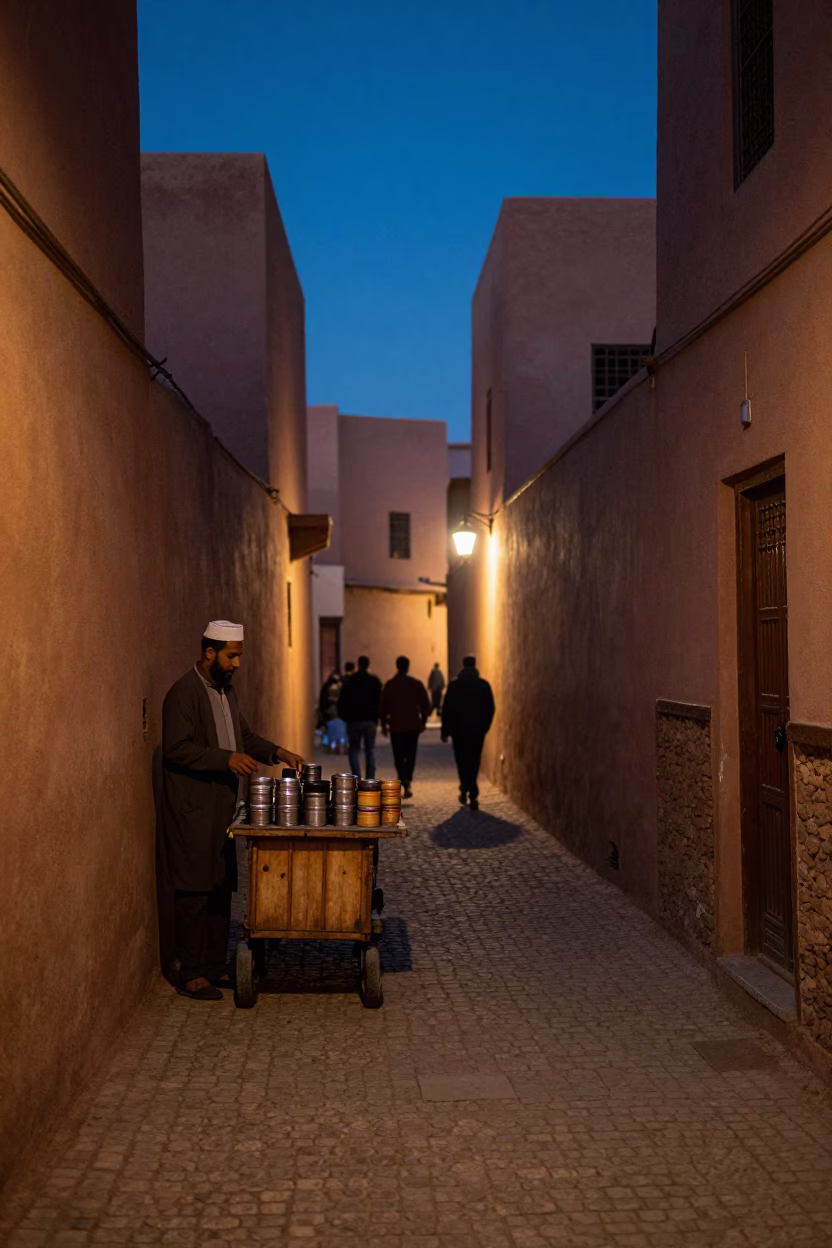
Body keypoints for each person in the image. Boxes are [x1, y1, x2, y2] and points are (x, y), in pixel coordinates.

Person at [161, 620, 304, 1000]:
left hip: (224, 809)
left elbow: (246, 739)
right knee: (194, 889)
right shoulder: (183, 693)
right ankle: (190, 973)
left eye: (239, 655)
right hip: (193, 810)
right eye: (232, 655)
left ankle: (212, 965)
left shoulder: (227, 692)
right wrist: (226, 760)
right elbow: (177, 748)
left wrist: (277, 753)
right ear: (209, 653)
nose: (237, 662)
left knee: (221, 887)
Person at [441, 655, 495, 811]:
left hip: (459, 731)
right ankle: (471, 791)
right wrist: (485, 726)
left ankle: (467, 788)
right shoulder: (483, 686)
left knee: (462, 760)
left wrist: (445, 730)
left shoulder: (454, 686)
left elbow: (447, 709)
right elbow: (491, 708)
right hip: (477, 731)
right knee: (474, 760)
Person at [379, 656, 430, 799]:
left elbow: (383, 706)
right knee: (411, 754)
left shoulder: (390, 685)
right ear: (408, 667)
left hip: (396, 726)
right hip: (412, 725)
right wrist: (423, 721)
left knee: (399, 756)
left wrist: (384, 724)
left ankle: (404, 781)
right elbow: (425, 704)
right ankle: (407, 779)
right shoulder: (415, 684)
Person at [338, 654, 382, 779]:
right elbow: (380, 700)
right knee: (370, 750)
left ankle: (356, 777)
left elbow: (342, 701)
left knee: (354, 750)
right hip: (370, 720)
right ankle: (369, 779)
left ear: (359, 665)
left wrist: (345, 717)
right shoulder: (374, 681)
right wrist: (378, 717)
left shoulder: (351, 681)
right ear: (368, 665)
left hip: (354, 720)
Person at [319, 670, 347, 753]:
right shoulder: (341, 687)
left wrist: (322, 712)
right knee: (340, 732)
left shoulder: (326, 687)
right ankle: (339, 747)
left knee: (327, 732)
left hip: (328, 714)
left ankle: (328, 747)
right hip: (339, 714)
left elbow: (322, 701)